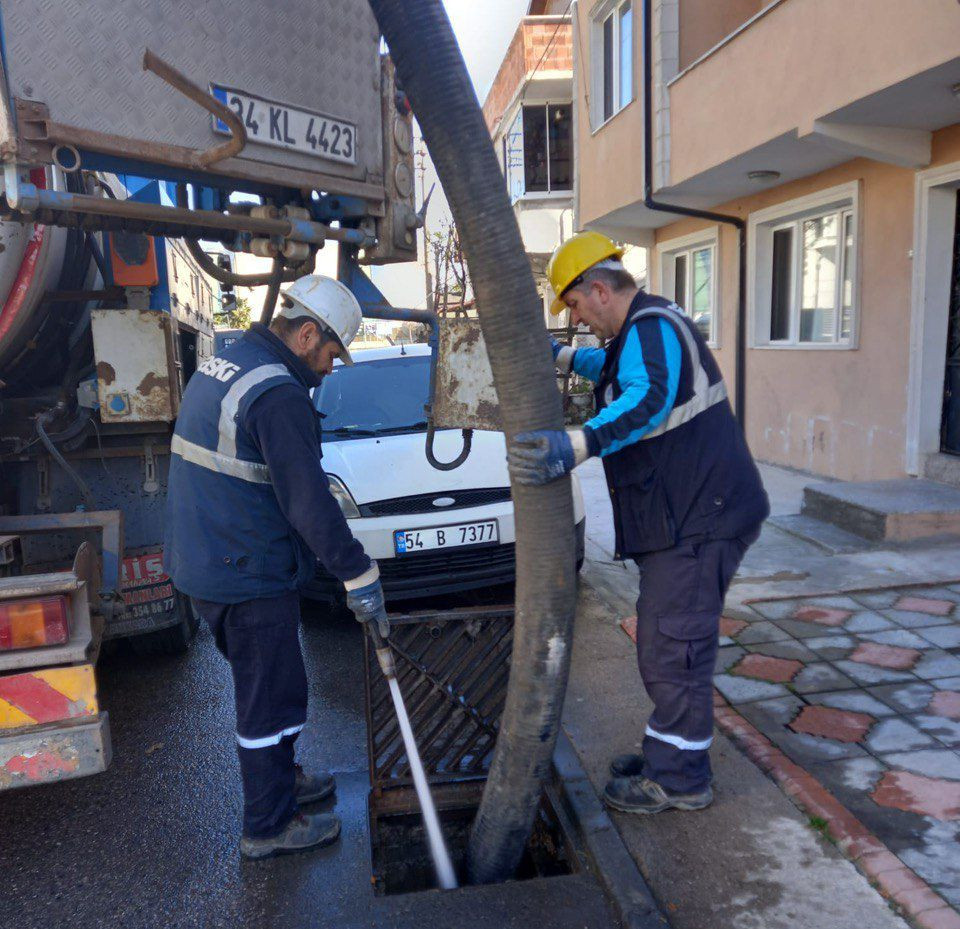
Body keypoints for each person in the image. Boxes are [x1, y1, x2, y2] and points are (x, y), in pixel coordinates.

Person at [508, 232, 769, 814]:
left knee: (673, 647)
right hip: (689, 516)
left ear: (598, 289)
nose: (576, 317)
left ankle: (679, 779)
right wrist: (562, 356)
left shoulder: (653, 329)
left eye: (574, 305)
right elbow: (615, 367)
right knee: (666, 641)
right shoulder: (640, 331)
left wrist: (578, 444)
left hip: (701, 519)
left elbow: (648, 395)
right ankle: (667, 754)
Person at [163, 275, 389, 859]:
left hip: (212, 559)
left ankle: (283, 781)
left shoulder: (233, 359)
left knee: (282, 685)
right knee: (265, 699)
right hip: (244, 569)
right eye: (333, 352)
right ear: (307, 332)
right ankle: (267, 826)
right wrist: (359, 576)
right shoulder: (279, 394)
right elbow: (309, 503)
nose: (332, 366)